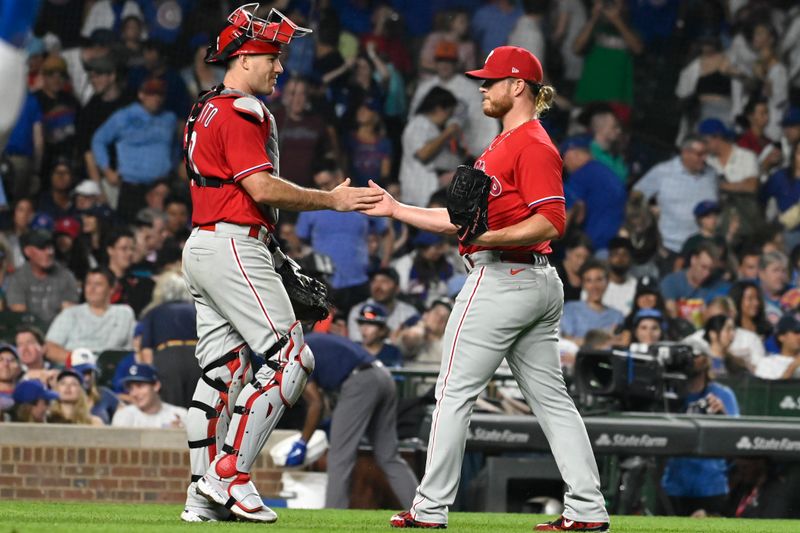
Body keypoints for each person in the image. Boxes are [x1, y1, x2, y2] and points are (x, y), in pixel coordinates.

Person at [362, 45, 609, 531]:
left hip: (504, 276)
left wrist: (489, 238)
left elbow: (551, 221)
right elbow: (461, 223)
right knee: (553, 402)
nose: (481, 86)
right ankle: (588, 510)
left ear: (518, 86)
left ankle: (429, 510)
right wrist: (397, 209)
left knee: (453, 392)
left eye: (491, 79)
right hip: (528, 281)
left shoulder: (532, 144)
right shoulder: (500, 145)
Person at [180, 5, 382, 524]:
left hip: (205, 244)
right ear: (244, 56)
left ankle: (200, 494)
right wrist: (332, 201)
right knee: (292, 360)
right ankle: (229, 475)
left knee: (222, 371)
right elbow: (261, 187)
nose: (280, 68)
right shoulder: (245, 110)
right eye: (273, 57)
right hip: (231, 244)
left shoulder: (205, 107)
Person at [285, 332, 418, 509]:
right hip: (384, 376)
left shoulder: (294, 351)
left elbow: (316, 404)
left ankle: (332, 517)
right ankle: (422, 510)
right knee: (388, 456)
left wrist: (302, 442)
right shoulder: (313, 340)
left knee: (339, 455)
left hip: (360, 382)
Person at [660, 352, 739, 517]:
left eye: (695, 354)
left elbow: (737, 439)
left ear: (705, 359)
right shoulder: (669, 395)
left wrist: (722, 414)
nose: (691, 360)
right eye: (687, 355)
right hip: (674, 484)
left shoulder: (722, 394)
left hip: (711, 485)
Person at [45, 267, 136, 364]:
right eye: (88, 284)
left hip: (114, 369)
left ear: (112, 289)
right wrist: (85, 361)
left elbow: (135, 347)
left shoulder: (124, 313)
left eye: (98, 284)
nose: (91, 289)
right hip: (76, 369)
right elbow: (50, 349)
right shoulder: (70, 314)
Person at [5, 229, 80, 327]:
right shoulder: (17, 278)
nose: (49, 252)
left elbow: (69, 315)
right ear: (28, 251)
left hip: (58, 335)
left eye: (50, 247)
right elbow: (20, 317)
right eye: (42, 248)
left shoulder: (66, 276)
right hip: (28, 334)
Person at [560, 259, 624, 346]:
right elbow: (567, 342)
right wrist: (605, 341)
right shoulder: (571, 309)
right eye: (589, 280)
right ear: (583, 284)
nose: (594, 286)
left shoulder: (616, 316)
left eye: (599, 279)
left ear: (607, 282)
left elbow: (619, 343)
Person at [347, 267, 419, 343]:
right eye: (374, 281)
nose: (377, 286)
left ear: (397, 289)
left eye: (384, 281)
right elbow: (358, 343)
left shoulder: (409, 313)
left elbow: (410, 346)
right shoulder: (358, 311)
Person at [111, 363, 187, 428]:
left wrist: (181, 435)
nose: (134, 393)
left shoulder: (180, 414)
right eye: (131, 388)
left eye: (140, 386)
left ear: (156, 386)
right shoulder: (124, 416)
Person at [754, 314, 800, 380]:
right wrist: (793, 367)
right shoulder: (768, 363)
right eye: (796, 332)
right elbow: (769, 389)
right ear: (781, 337)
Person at [356, 303, 402, 367]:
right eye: (361, 323)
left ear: (382, 330)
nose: (364, 328)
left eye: (370, 324)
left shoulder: (392, 352)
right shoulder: (353, 349)